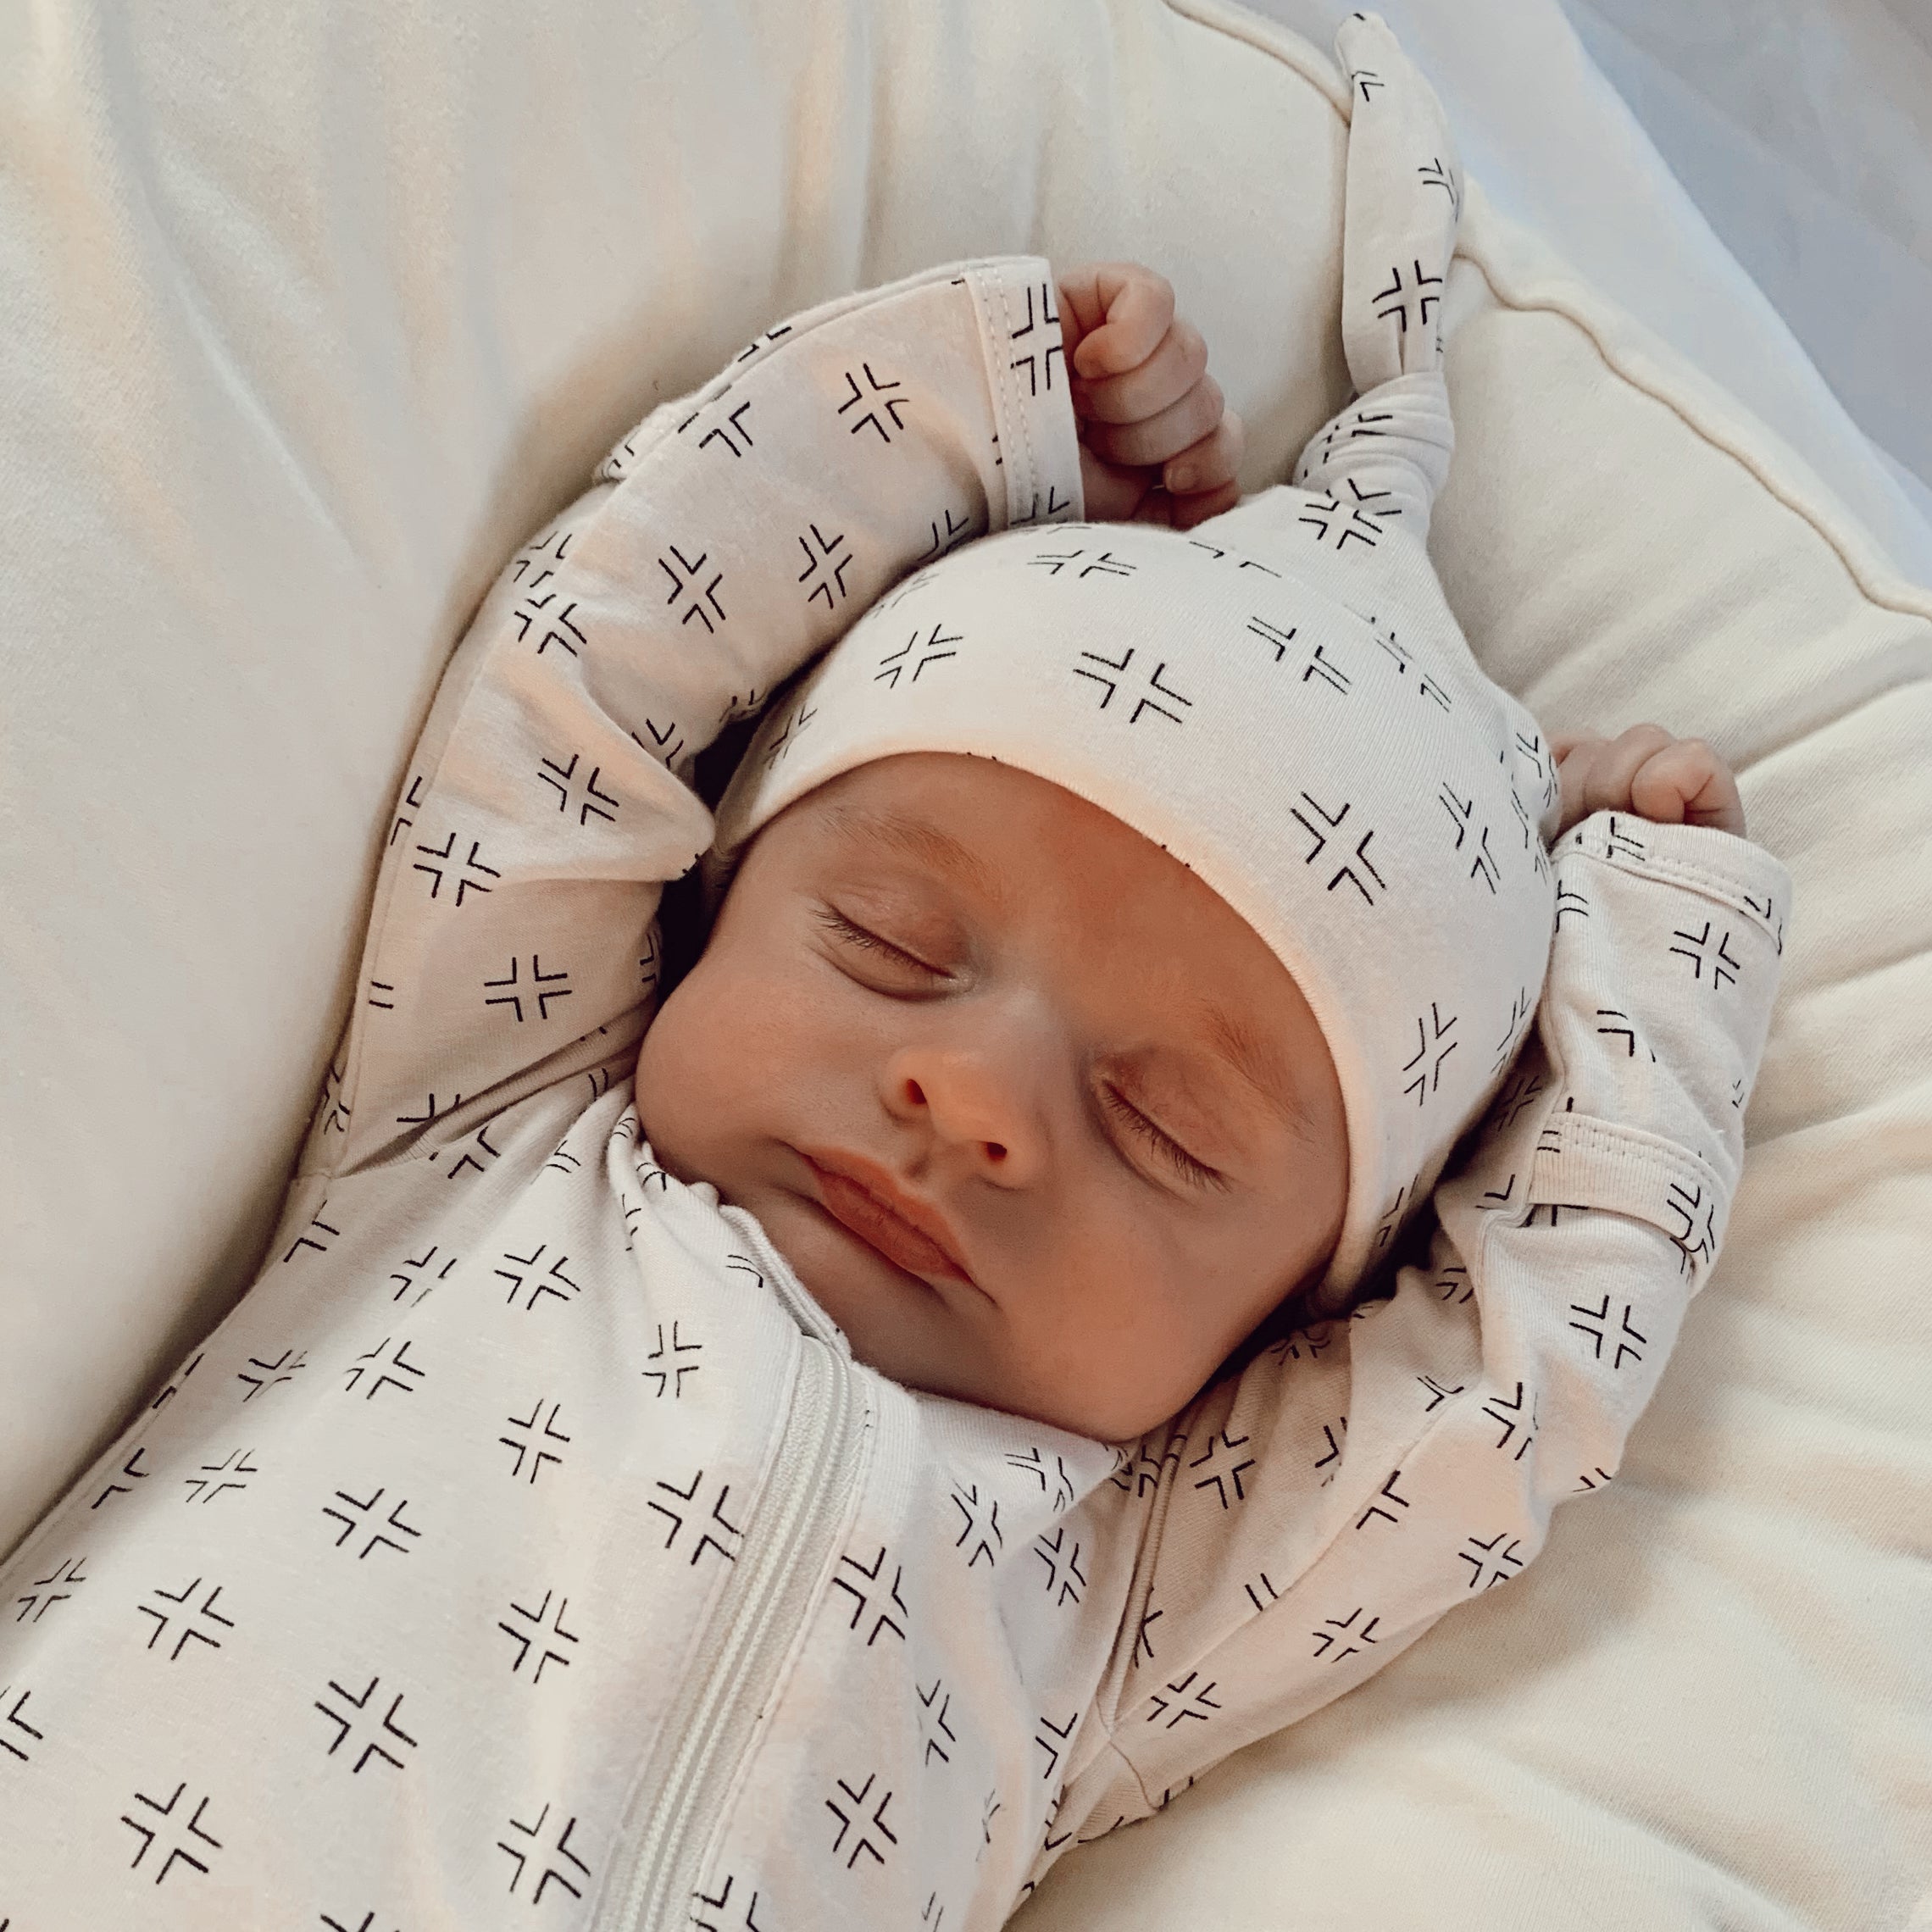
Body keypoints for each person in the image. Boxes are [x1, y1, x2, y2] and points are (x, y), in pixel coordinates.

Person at [0, 14, 1789, 1930]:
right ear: (721, 893)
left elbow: (1511, 1406)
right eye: (888, 943)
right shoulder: (480, 1130)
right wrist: (989, 432)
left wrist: (1636, 938)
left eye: (1169, 1129)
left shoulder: (1112, 1611)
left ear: (1294, 1308)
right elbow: (597, 662)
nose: (983, 1097)